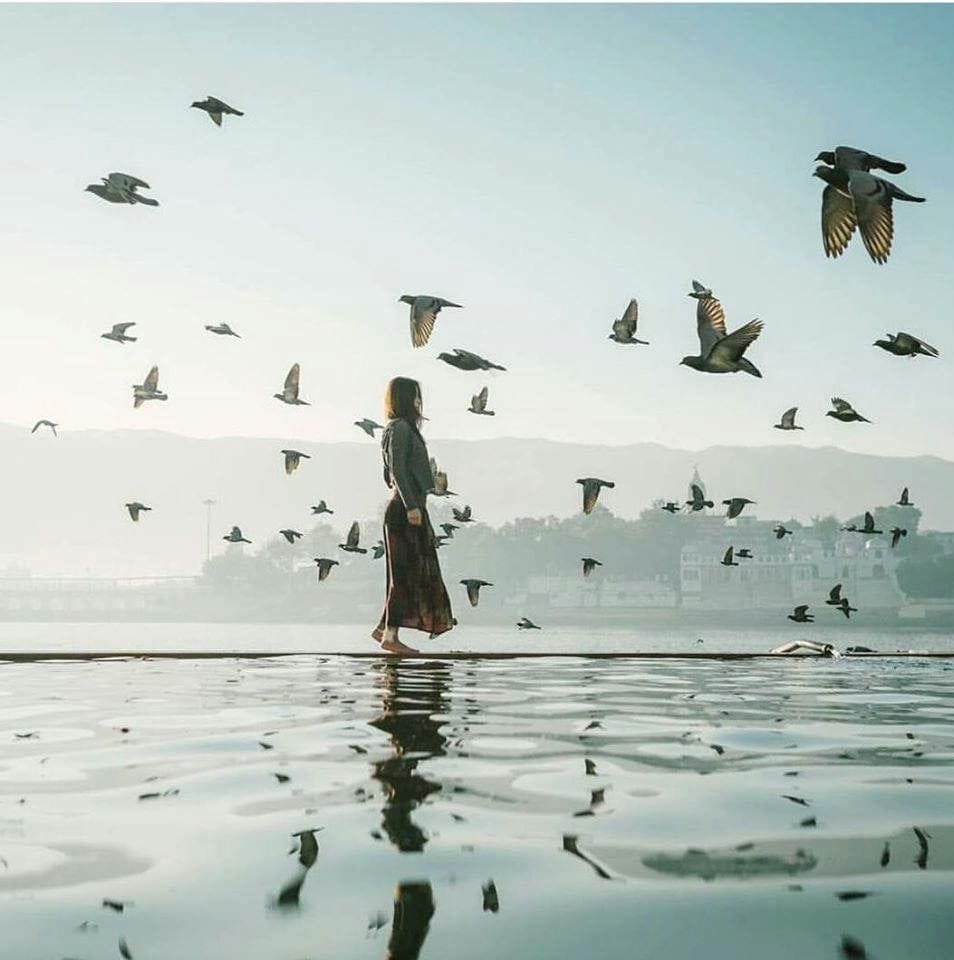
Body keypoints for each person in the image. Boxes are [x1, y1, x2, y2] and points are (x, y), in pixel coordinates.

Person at [372, 377, 454, 653]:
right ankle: (390, 638)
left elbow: (390, 472)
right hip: (405, 511)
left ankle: (385, 629)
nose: (420, 402)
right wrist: (411, 505)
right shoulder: (400, 428)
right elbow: (396, 470)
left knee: (411, 571)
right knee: (404, 574)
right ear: (404, 399)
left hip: (409, 508)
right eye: (415, 396)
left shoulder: (401, 429)